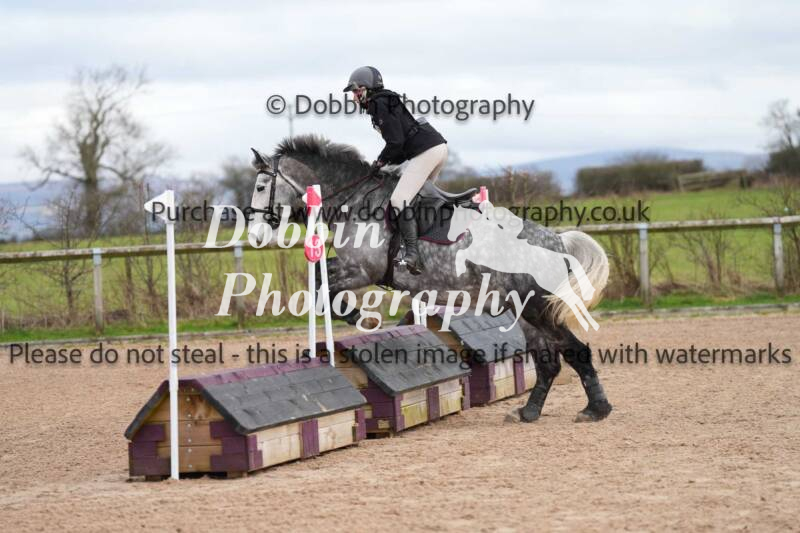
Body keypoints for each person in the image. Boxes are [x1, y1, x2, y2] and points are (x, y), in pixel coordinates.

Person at [343, 66, 448, 275]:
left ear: (367, 89)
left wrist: (380, 161)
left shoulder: (379, 103)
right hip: (435, 148)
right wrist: (385, 164)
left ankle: (413, 255)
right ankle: (427, 249)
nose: (354, 97)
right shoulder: (384, 101)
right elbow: (399, 146)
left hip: (426, 151)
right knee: (417, 200)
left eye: (356, 91)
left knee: (399, 200)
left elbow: (396, 142)